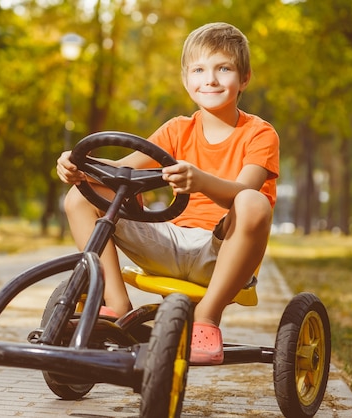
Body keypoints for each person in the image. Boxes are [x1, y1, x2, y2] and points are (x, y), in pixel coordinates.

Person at [56, 22, 279, 365]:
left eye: (224, 68)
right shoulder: (177, 129)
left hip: (220, 252)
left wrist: (201, 180)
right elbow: (122, 170)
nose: (211, 79)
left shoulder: (259, 134)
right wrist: (78, 165)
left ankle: (206, 317)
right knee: (80, 195)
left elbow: (243, 192)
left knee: (253, 202)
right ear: (186, 78)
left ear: (244, 78)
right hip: (169, 242)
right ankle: (117, 304)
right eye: (199, 69)